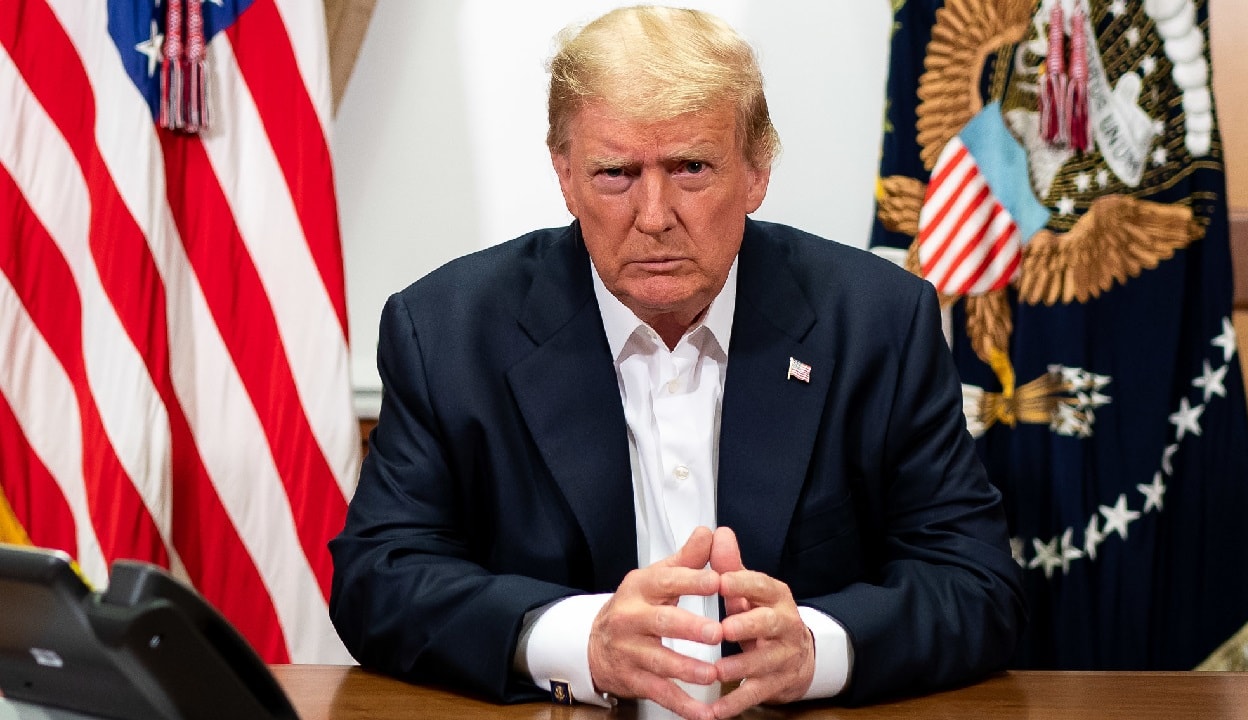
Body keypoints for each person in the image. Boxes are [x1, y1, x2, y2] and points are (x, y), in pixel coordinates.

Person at [328, 6, 1025, 720]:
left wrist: (814, 648)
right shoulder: (449, 332)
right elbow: (378, 581)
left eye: (691, 167)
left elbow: (976, 585)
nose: (654, 214)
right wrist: (577, 640)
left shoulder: (877, 323)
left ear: (756, 171)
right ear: (564, 175)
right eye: (615, 173)